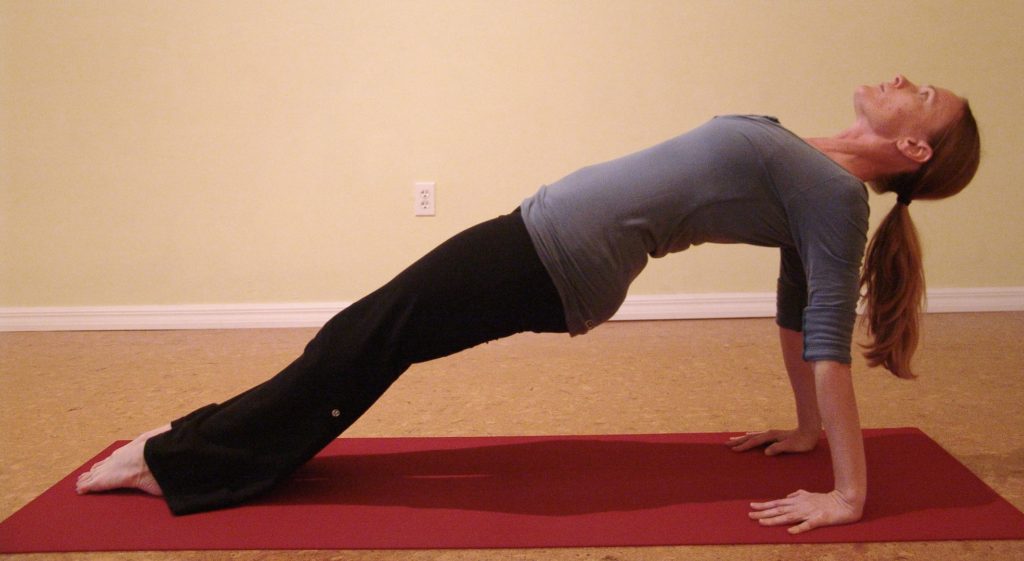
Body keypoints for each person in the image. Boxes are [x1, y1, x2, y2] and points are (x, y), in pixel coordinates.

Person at [76, 75, 981, 534]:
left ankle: (185, 461)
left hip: (558, 260)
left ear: (913, 147)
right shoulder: (814, 166)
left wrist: (848, 492)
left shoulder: (836, 198)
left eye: (925, 95)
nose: (906, 78)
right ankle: (205, 447)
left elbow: (822, 335)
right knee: (369, 334)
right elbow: (792, 307)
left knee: (369, 334)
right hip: (546, 239)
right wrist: (804, 431)